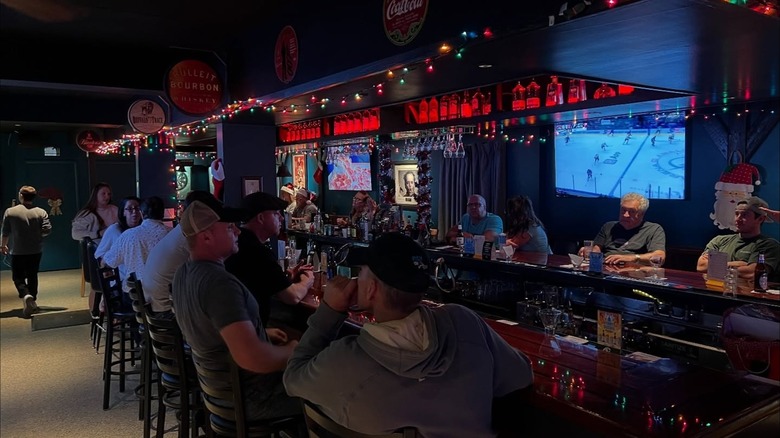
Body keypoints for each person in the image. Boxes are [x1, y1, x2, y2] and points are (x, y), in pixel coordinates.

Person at [283, 233, 533, 437]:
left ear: (371, 290)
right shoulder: (464, 321)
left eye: (362, 272)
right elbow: (521, 374)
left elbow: (292, 377)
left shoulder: (343, 361)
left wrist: (329, 311)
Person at [172, 200, 301, 422]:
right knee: (331, 389)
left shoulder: (183, 273)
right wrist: (294, 351)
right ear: (206, 237)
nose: (238, 231)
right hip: (252, 398)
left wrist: (257, 331)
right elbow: (254, 359)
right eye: (230, 227)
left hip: (217, 393)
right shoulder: (219, 283)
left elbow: (208, 331)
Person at [225, 191, 315, 325]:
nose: (281, 218)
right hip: (249, 330)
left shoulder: (239, 242)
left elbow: (258, 282)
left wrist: (284, 278)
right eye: (276, 213)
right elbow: (293, 297)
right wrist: (307, 281)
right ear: (261, 218)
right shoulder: (257, 251)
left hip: (242, 326)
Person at [142, 191, 216, 316]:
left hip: (154, 304)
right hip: (165, 311)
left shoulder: (180, 231)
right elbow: (208, 270)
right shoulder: (189, 235)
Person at [697, 197, 780, 281]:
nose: (738, 219)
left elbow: (752, 273)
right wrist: (738, 264)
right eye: (736, 214)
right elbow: (701, 266)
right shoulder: (719, 241)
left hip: (746, 289)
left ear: (760, 219)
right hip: (715, 288)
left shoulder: (769, 245)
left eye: (744, 215)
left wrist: (715, 266)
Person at [1, 186, 52, 317]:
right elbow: (47, 230)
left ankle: (26, 294)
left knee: (18, 277)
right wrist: (36, 234)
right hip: (36, 249)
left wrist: (3, 246)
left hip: (18, 250)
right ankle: (32, 299)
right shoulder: (41, 212)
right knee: (32, 275)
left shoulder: (10, 212)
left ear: (21, 196)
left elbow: (5, 232)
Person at [102, 196, 169, 294]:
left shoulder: (128, 235)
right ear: (163, 213)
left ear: (142, 213)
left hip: (136, 294)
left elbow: (107, 262)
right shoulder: (172, 234)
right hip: (168, 294)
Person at [580, 192, 666, 265]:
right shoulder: (609, 226)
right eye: (623, 210)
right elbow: (596, 250)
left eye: (631, 211)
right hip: (606, 268)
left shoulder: (654, 229)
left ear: (642, 214)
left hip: (634, 272)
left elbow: (660, 257)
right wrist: (587, 252)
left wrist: (631, 258)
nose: (625, 215)